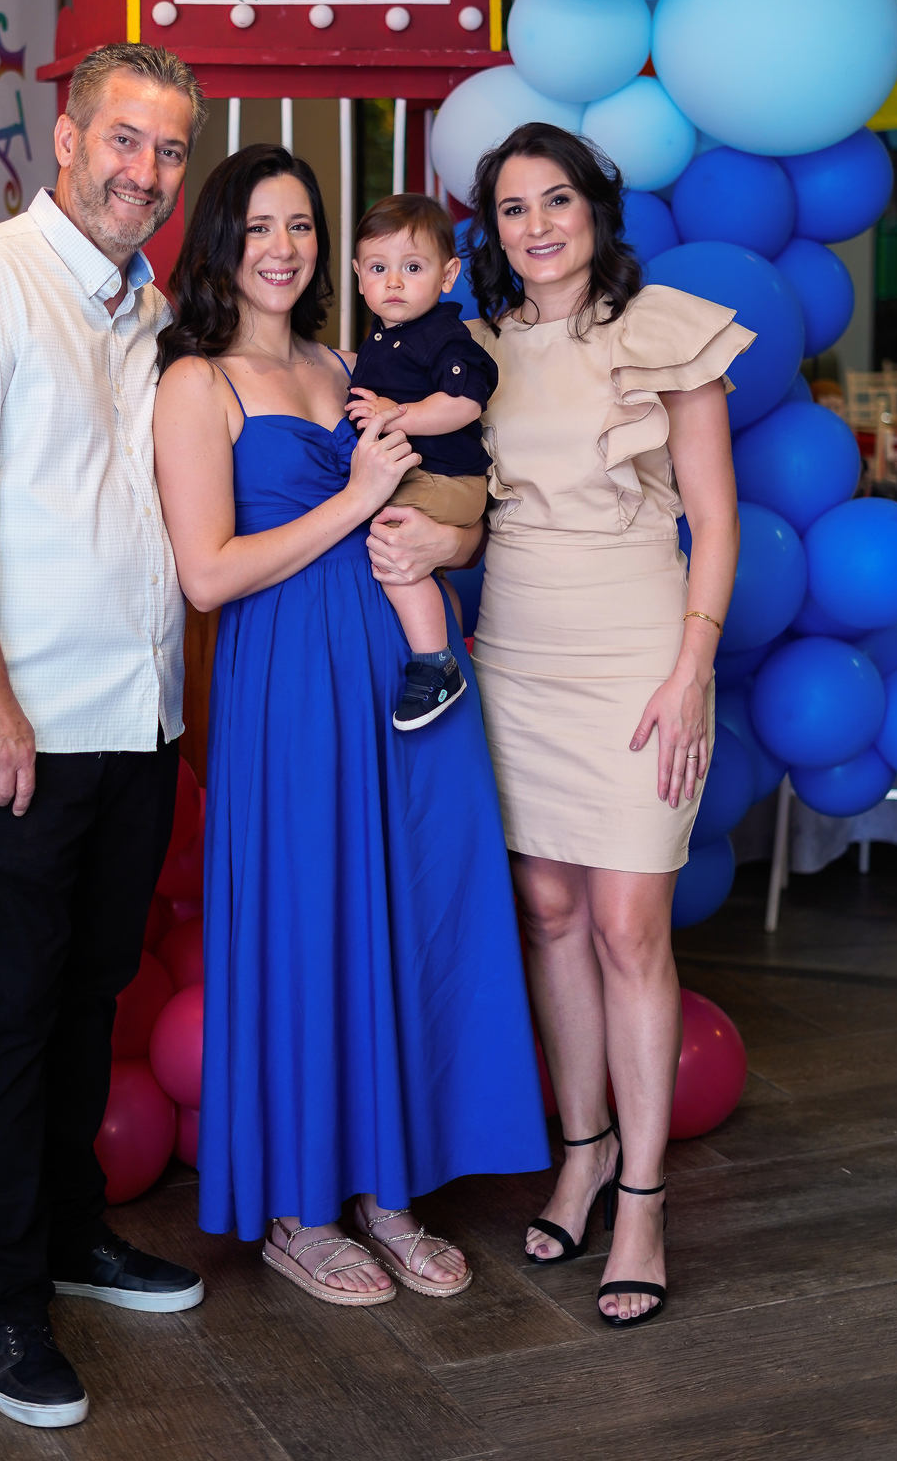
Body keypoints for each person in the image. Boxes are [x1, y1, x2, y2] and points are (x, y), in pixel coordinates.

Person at [153, 143, 548, 1306]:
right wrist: (357, 499)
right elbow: (208, 575)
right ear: (220, 243)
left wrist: (450, 537)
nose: (284, 248)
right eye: (259, 226)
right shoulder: (197, 382)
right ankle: (299, 1208)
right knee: (309, 916)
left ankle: (389, 1191)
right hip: (287, 678)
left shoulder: (349, 361)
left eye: (302, 226)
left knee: (408, 908)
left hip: (403, 670)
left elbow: (457, 511)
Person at [0, 44, 208, 1429]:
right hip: (14, 724)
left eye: (171, 151)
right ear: (67, 139)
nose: (147, 172)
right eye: (125, 140)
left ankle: (72, 1235)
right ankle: (2, 1301)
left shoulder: (147, 310)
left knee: (90, 998)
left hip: (132, 718)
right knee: (11, 1011)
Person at [464, 123, 751, 1329]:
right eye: (513, 208)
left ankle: (641, 1197)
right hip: (515, 655)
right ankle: (579, 1155)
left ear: (595, 209)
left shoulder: (666, 329)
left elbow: (715, 519)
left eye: (556, 200)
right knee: (548, 911)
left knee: (632, 924)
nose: (537, 226)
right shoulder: (478, 346)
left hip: (639, 654)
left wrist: (693, 666)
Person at [345, 194, 498, 730]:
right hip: (429, 477)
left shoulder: (442, 336)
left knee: (387, 535)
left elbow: (465, 401)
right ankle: (446, 632)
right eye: (378, 269)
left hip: (447, 479)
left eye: (412, 268)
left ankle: (435, 664)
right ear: (359, 276)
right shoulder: (383, 337)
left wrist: (398, 415)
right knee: (415, 559)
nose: (394, 282)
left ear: (447, 275)